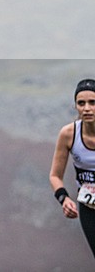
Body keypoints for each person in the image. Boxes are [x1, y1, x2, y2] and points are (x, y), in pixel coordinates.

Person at [50, 78, 95, 257]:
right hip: (89, 207)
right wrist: (64, 199)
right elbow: (55, 175)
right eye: (81, 103)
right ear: (75, 106)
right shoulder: (69, 134)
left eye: (93, 102)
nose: (86, 108)